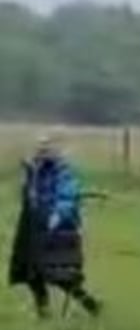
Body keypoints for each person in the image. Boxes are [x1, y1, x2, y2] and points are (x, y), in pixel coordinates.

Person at [8, 135, 102, 319]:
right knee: (31, 273)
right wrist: (29, 173)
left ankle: (91, 306)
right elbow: (30, 196)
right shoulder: (36, 170)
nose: (42, 152)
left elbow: (67, 196)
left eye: (47, 149)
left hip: (58, 229)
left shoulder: (63, 172)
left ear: (56, 152)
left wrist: (58, 215)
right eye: (40, 149)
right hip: (33, 228)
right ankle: (43, 314)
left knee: (60, 276)